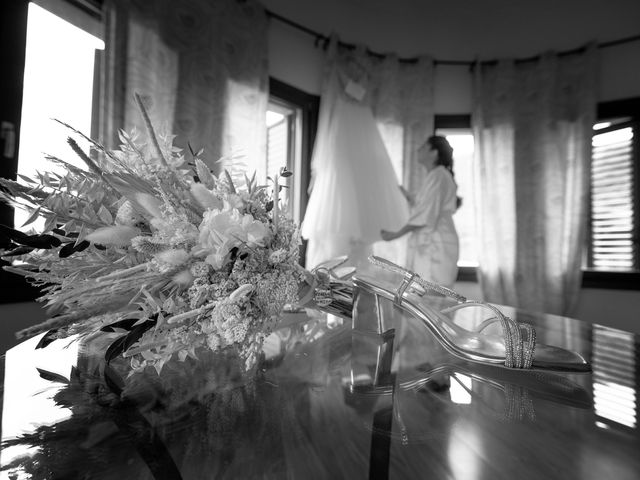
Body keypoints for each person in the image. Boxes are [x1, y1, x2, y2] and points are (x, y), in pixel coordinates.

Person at [301, 45, 409, 270]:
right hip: (350, 134)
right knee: (344, 191)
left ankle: (353, 270)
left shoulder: (338, 74)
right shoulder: (356, 80)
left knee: (357, 192)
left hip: (350, 134)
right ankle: (339, 271)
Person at [380, 136, 460, 288]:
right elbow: (422, 203)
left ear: (434, 153)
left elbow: (425, 214)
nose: (418, 150)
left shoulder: (439, 175)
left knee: (431, 292)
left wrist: (395, 234)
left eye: (423, 147)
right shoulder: (436, 176)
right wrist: (402, 192)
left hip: (435, 242)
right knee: (424, 291)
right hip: (432, 240)